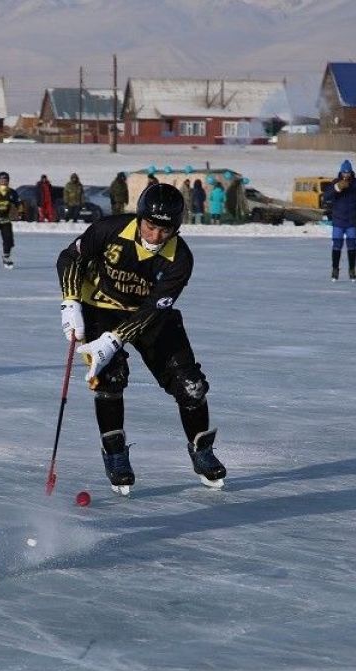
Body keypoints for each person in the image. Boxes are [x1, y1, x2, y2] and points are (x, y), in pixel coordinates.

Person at [56, 182, 226, 494]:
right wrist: (70, 302)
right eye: (150, 226)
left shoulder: (180, 259)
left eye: (165, 230)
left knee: (191, 385)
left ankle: (202, 451)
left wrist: (115, 340)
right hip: (99, 308)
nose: (155, 236)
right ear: (140, 218)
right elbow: (70, 259)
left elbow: (154, 308)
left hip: (149, 317)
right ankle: (115, 453)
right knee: (109, 378)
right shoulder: (109, 229)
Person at [321, 159, 356, 282]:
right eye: (344, 173)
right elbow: (325, 197)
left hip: (352, 221)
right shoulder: (335, 183)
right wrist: (337, 188)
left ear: (351, 172)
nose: (346, 175)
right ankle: (335, 269)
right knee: (337, 245)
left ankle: (352, 270)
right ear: (341, 172)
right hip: (338, 220)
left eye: (348, 173)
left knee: (352, 245)